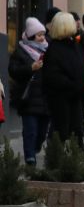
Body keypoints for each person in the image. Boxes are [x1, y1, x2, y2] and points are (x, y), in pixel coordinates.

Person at [8, 17, 50, 166]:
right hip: (28, 97)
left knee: (42, 132)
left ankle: (36, 147)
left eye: (43, 34)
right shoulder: (20, 51)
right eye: (39, 35)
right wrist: (30, 68)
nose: (42, 38)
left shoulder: (48, 49)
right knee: (30, 130)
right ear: (31, 36)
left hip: (45, 98)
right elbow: (13, 70)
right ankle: (30, 158)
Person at [41, 12, 84, 144]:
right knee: (62, 132)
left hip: (74, 97)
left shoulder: (74, 45)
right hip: (61, 99)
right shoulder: (55, 49)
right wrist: (73, 85)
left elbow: (80, 68)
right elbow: (53, 76)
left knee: (76, 132)